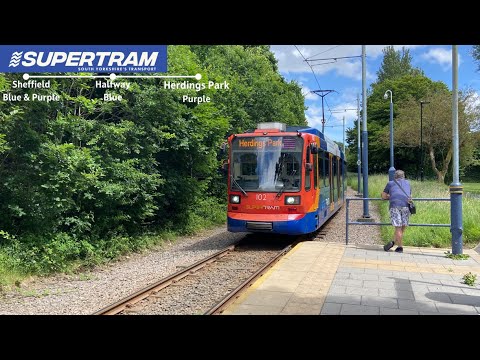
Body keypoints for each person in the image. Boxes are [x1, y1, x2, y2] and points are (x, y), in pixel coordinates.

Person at [381, 170, 412, 253]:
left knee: (398, 227)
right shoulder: (408, 183)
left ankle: (400, 247)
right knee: (402, 226)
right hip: (406, 206)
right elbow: (410, 196)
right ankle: (394, 242)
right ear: (404, 176)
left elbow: (383, 196)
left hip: (395, 206)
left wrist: (389, 197)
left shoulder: (390, 183)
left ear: (395, 176)